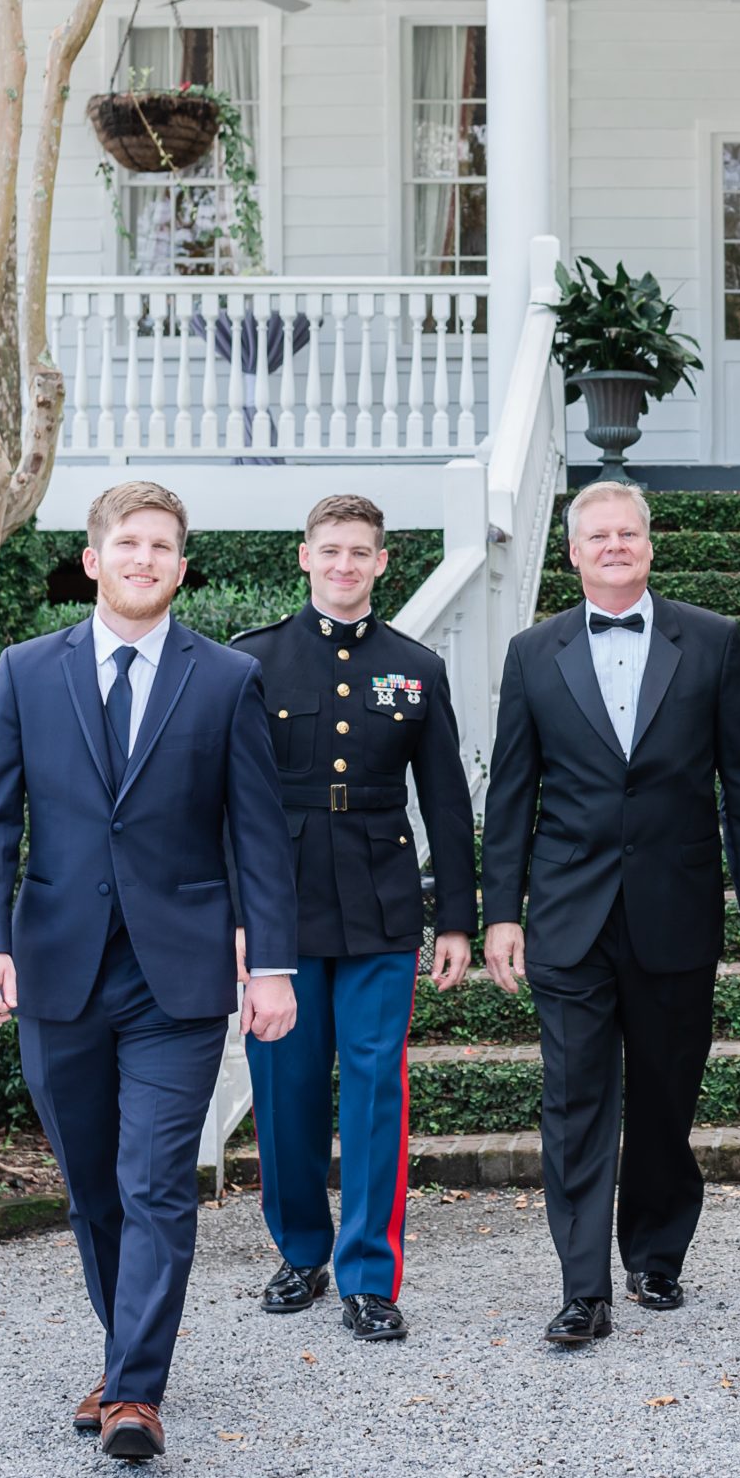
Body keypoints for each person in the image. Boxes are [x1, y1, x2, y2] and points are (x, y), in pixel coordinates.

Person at [0, 481, 299, 1463]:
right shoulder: (27, 671)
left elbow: (257, 835)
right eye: (128, 540)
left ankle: (136, 1392)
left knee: (155, 1181)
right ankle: (124, 1354)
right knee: (93, 1186)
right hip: (58, 970)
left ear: (182, 568)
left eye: (163, 544)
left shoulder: (225, 679)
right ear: (94, 559)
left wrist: (267, 963)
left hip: (177, 976)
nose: (145, 556)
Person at [479, 479, 740, 1347]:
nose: (614, 546)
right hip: (570, 913)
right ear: (572, 552)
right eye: (597, 535)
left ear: (650, 545)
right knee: (574, 1097)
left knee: (663, 1092)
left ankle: (655, 1252)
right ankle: (583, 1286)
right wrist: (505, 912)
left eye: (628, 534)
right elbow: (511, 793)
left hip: (675, 906)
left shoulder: (714, 642)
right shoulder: (533, 652)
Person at [228, 494, 476, 1342]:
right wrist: (236, 919)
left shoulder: (416, 667)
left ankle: (369, 1275)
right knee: (286, 1086)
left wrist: (455, 919)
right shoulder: (252, 662)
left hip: (380, 903)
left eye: (359, 552)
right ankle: (301, 1250)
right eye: (330, 550)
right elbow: (229, 803)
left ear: (381, 562)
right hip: (283, 908)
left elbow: (446, 798)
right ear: (304, 557)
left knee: (375, 1089)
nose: (344, 564)